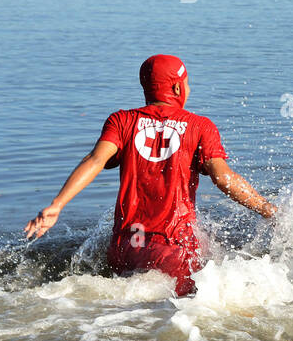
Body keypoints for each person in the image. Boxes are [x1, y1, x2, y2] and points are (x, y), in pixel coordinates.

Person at [24, 54, 277, 295]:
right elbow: (223, 178)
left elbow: (95, 159)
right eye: (187, 84)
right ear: (178, 89)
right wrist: (267, 208)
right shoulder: (201, 126)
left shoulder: (121, 121)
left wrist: (56, 205)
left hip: (125, 247)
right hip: (174, 249)